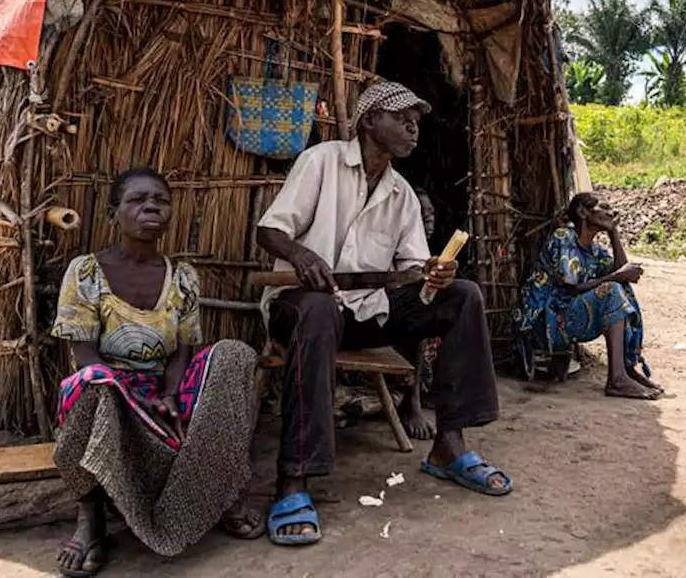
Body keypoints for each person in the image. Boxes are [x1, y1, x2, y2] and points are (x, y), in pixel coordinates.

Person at [256, 81, 511, 547]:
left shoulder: (402, 194)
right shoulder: (322, 161)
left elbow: (411, 270)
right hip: (302, 306)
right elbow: (270, 230)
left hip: (366, 311)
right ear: (370, 121)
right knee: (316, 310)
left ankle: (449, 445)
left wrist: (432, 277)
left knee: (463, 296)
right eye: (403, 118)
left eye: (417, 122)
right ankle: (293, 480)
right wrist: (301, 256)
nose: (414, 129)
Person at [52, 168, 263, 577]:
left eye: (161, 200)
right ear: (115, 213)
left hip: (162, 391)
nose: (151, 206)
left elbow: (183, 354)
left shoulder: (183, 277)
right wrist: (133, 399)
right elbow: (85, 355)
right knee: (95, 383)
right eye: (137, 199)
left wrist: (168, 395)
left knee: (235, 354)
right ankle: (91, 519)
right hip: (109, 394)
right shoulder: (85, 273)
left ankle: (221, 493)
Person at [515, 192, 660, 400]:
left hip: (565, 315)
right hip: (544, 321)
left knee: (622, 288)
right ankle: (617, 379)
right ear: (583, 212)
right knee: (610, 290)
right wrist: (618, 275)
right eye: (605, 207)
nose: (612, 213)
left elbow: (622, 271)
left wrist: (614, 233)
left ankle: (626, 368)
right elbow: (571, 289)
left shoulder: (594, 250)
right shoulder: (563, 237)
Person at [401, 187, 439, 441]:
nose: (428, 219)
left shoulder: (427, 252)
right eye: (421, 212)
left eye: (431, 213)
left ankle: (428, 389)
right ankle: (410, 400)